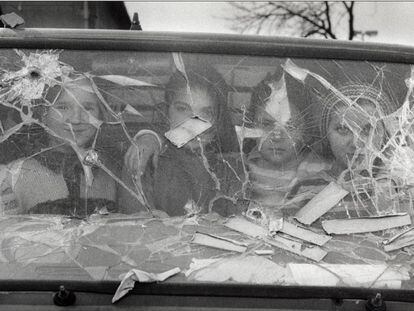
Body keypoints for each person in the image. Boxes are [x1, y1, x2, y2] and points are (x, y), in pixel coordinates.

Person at [0, 75, 159, 216]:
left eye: (87, 108)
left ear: (100, 115)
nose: (76, 119)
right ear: (43, 113)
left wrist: (149, 137)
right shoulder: (12, 176)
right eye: (63, 107)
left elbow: (138, 226)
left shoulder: (113, 170)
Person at [120, 67, 244, 216]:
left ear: (217, 120)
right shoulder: (146, 160)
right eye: (182, 109)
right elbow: (136, 227)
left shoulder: (230, 169)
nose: (192, 123)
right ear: (167, 111)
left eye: (205, 113)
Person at [245, 70, 330, 211]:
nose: (277, 137)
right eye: (266, 124)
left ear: (306, 131)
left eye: (290, 126)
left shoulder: (320, 172)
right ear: (251, 126)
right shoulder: (240, 169)